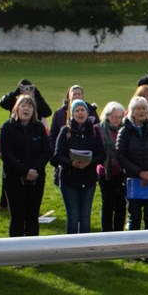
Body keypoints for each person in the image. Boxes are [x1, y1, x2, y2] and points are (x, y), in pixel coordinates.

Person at [0, 93, 51, 238]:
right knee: (17, 218)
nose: (26, 109)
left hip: (36, 179)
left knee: (32, 217)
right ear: (16, 108)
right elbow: (5, 154)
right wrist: (24, 171)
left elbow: (46, 151)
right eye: (23, 105)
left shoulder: (39, 127)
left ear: (34, 111)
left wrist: (34, 170)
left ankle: (33, 254)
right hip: (14, 180)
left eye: (29, 106)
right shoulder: (7, 128)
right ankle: (17, 255)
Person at [53, 99, 103, 235]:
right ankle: (72, 247)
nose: (80, 113)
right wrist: (71, 163)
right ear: (72, 113)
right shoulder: (65, 131)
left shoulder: (94, 131)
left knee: (85, 217)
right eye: (77, 110)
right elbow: (57, 155)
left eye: (83, 110)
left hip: (89, 179)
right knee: (73, 216)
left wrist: (90, 162)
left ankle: (86, 249)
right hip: (69, 179)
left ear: (87, 113)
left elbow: (102, 154)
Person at [116, 97, 148, 234]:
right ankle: (134, 252)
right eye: (138, 108)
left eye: (144, 108)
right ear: (132, 111)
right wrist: (139, 173)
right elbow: (120, 156)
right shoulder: (124, 131)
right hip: (134, 180)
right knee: (135, 217)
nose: (141, 111)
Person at [98, 102, 128, 234]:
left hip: (122, 172)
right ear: (107, 116)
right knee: (108, 204)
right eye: (114, 116)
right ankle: (107, 233)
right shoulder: (99, 129)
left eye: (119, 117)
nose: (116, 120)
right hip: (105, 172)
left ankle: (118, 232)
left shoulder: (125, 130)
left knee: (121, 205)